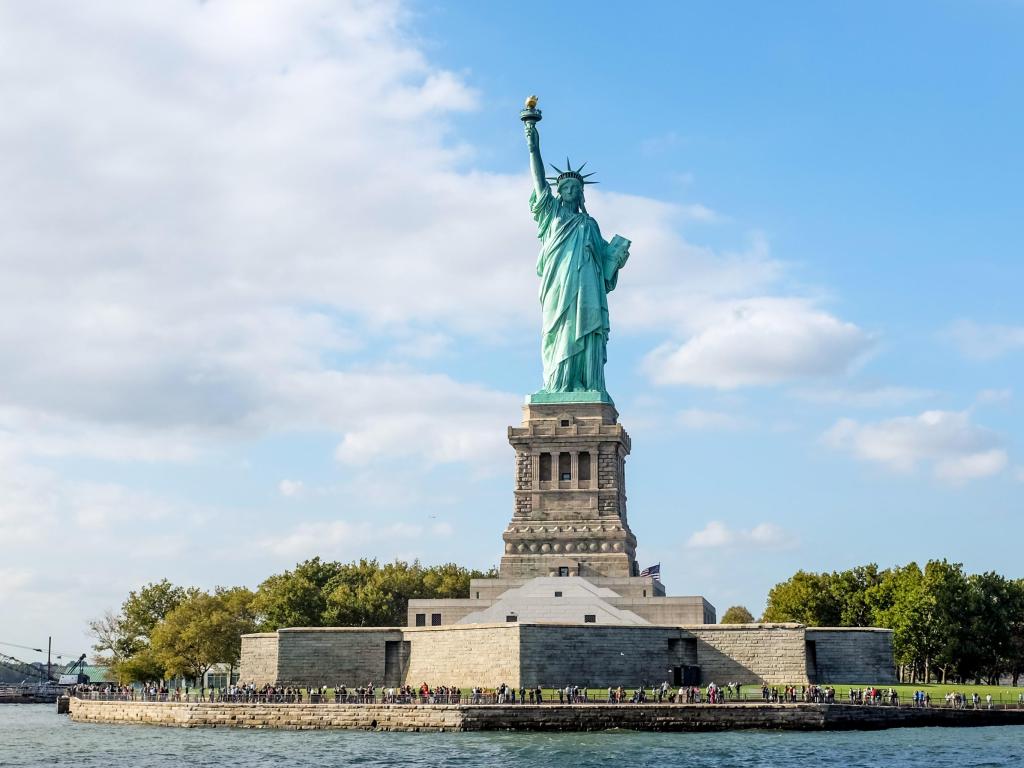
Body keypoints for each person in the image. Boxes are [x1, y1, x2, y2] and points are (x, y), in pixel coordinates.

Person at [523, 115, 629, 394]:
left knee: (585, 330)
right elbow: (538, 183)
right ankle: (558, 384)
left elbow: (605, 265)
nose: (569, 191)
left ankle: (585, 383)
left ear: (581, 194)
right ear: (559, 192)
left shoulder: (589, 225)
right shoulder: (551, 214)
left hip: (587, 288)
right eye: (565, 188)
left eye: (575, 189)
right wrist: (534, 147)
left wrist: (616, 256)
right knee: (559, 332)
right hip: (558, 286)